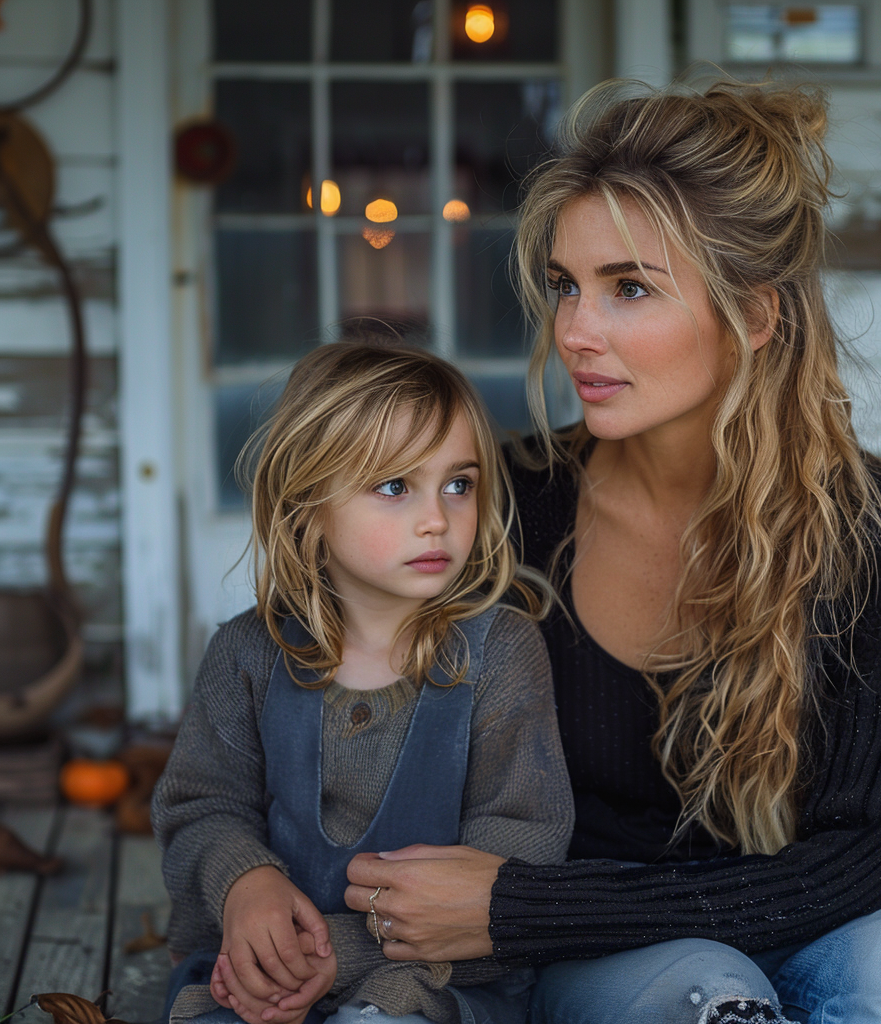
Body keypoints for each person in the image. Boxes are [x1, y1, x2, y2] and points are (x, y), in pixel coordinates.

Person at [342, 79, 881, 1024]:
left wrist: (516, 905)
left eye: (629, 288)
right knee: (706, 996)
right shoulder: (509, 503)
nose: (574, 331)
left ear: (756, 317)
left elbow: (864, 858)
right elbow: (358, 734)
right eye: (565, 284)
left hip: (788, 923)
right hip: (600, 958)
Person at [152, 341, 574, 1024]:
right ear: (309, 507)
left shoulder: (500, 653)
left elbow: (520, 853)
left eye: (458, 484)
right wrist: (243, 884)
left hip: (435, 980)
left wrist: (340, 955)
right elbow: (200, 805)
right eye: (394, 487)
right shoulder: (247, 655)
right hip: (261, 974)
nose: (437, 517)